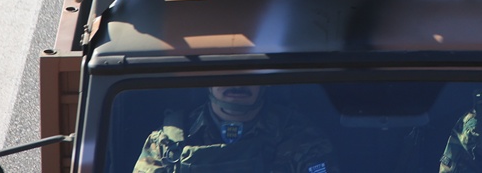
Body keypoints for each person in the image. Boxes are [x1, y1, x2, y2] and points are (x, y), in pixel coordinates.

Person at [133, 84, 338, 173]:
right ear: (208, 82)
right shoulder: (168, 141)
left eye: (248, 72)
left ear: (264, 82)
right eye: (225, 71)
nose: (237, 82)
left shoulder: (300, 137)